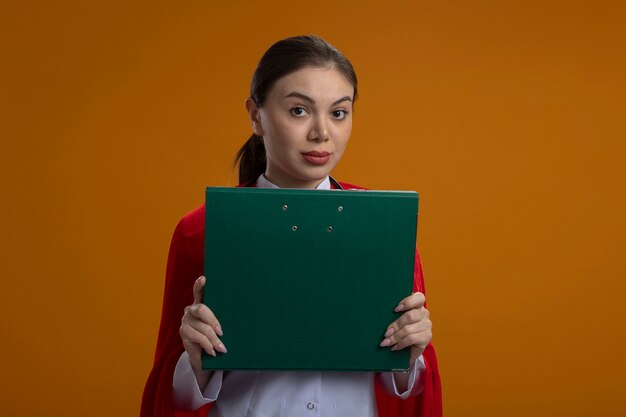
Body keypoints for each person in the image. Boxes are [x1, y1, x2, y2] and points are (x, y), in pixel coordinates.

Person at [141, 35, 442, 417]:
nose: (322, 132)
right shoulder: (200, 230)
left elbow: (406, 390)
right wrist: (196, 364)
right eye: (299, 111)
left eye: (338, 112)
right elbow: (172, 398)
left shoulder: (384, 226)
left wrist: (412, 355)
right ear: (255, 115)